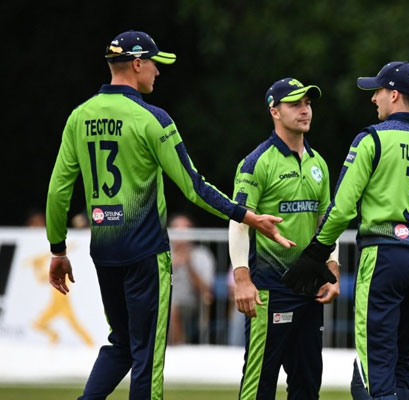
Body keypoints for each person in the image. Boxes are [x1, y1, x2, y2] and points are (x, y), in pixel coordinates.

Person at [45, 30, 292, 400]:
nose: (158, 73)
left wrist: (58, 249)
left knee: (122, 343)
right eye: (155, 65)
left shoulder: (79, 117)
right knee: (147, 355)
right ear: (138, 63)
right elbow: (194, 186)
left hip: (105, 251)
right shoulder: (152, 119)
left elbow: (58, 190)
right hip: (145, 254)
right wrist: (246, 216)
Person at [285, 61, 409, 400]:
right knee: (403, 358)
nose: (374, 99)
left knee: (375, 363)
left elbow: (342, 208)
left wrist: (316, 252)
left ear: (395, 95)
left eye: (378, 92)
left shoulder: (371, 138)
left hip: (385, 255)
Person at [229, 77, 340, 399]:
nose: (305, 110)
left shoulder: (318, 163)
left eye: (307, 103)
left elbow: (325, 223)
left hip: (310, 289)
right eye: (295, 104)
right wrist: (242, 279)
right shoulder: (257, 162)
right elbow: (238, 222)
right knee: (259, 383)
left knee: (307, 385)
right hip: (270, 288)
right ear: (274, 111)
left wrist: (332, 269)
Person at [167, 213, 215, 344]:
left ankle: (178, 351)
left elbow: (206, 291)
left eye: (186, 229)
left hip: (191, 303)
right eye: (177, 229)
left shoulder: (202, 254)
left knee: (172, 308)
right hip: (161, 300)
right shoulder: (163, 254)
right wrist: (170, 266)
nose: (181, 234)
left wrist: (189, 265)